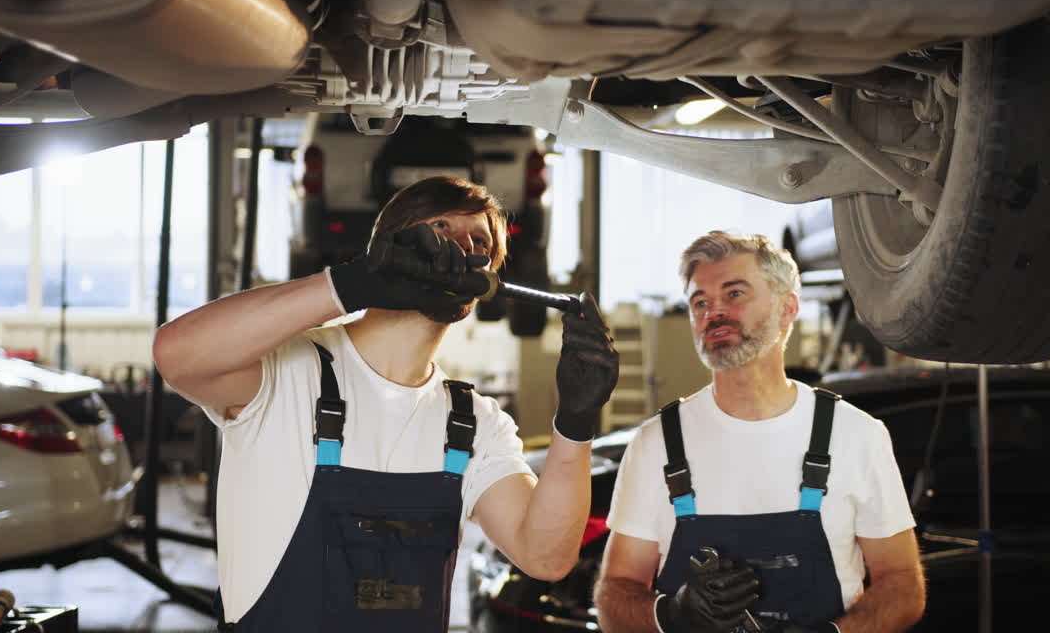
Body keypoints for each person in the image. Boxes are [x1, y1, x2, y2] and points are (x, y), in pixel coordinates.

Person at [153, 175, 619, 632]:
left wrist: (575, 424)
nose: (463, 248)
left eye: (480, 241)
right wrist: (350, 285)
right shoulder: (288, 373)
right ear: (389, 247)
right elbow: (175, 355)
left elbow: (546, 557)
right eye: (442, 230)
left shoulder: (474, 422)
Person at [594, 231, 924, 633]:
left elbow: (903, 586)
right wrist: (670, 614)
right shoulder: (656, 445)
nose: (714, 312)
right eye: (701, 301)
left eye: (734, 294)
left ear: (788, 308)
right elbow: (614, 595)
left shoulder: (855, 435)